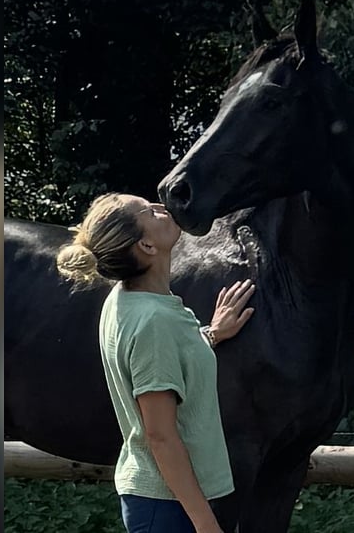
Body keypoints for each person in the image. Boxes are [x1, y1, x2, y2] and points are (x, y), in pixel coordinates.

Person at [56, 192, 256, 533]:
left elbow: (159, 361)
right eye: (151, 211)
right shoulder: (154, 321)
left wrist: (210, 335)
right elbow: (160, 435)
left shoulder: (128, 300)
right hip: (173, 508)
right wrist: (206, 524)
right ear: (146, 246)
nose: (164, 208)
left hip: (173, 500)